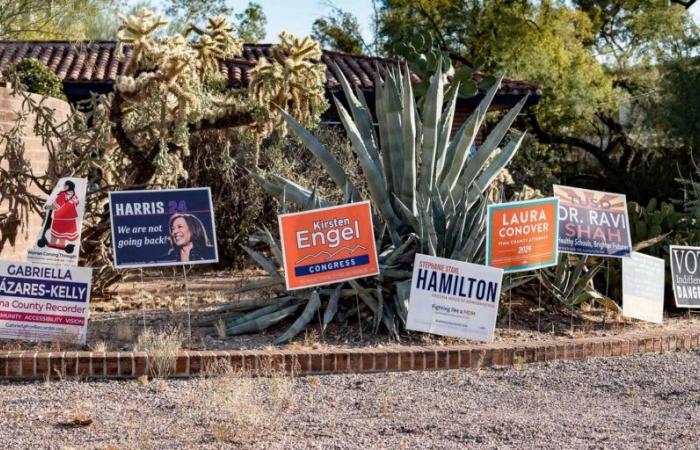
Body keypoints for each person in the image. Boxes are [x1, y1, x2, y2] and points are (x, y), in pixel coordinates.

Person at [47, 180, 80, 249]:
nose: (64, 186)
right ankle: (61, 245)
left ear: (69, 186)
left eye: (65, 185)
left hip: (61, 216)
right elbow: (77, 203)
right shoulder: (74, 195)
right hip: (70, 217)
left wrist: (48, 207)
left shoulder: (63, 195)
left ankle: (53, 243)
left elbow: (56, 206)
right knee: (64, 232)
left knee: (57, 230)